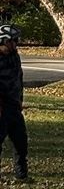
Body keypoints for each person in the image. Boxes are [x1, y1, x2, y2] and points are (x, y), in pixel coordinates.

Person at [0, 23, 28, 181]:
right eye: (14, 40)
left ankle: (22, 174)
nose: (16, 44)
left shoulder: (15, 57)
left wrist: (20, 100)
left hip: (14, 106)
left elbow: (19, 79)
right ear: (4, 41)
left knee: (21, 142)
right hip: (1, 108)